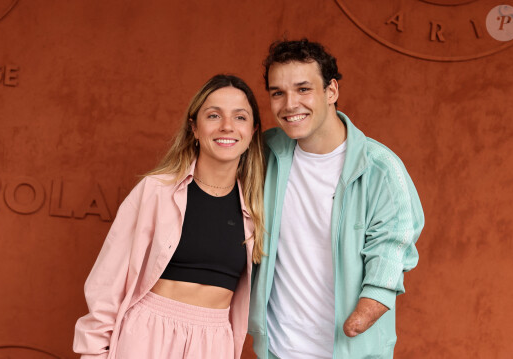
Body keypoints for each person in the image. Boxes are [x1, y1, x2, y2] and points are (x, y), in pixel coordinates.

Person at [248, 39, 424, 358]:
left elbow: (393, 243)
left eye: (304, 89)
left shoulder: (380, 168)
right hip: (276, 349)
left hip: (350, 350)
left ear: (332, 91)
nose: (290, 104)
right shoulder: (264, 153)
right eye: (278, 93)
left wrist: (371, 303)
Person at [73, 74, 265, 359]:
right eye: (213, 115)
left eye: (240, 117)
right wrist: (94, 354)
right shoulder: (156, 191)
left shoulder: (259, 207)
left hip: (214, 344)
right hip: (146, 335)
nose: (227, 126)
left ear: (252, 131)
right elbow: (107, 281)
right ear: (194, 128)